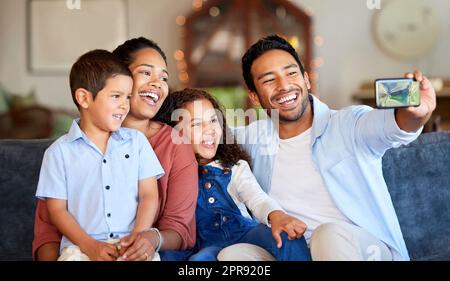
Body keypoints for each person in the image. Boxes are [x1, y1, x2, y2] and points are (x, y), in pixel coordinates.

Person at [219, 35, 436, 261]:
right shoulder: (251, 138)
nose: (284, 86)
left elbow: (392, 127)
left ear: (306, 79)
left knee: (329, 235)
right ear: (254, 96)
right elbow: (202, 139)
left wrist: (416, 114)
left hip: (362, 249)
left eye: (291, 73)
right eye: (268, 80)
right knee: (233, 255)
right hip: (295, 252)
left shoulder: (349, 123)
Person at [32, 38, 199, 261]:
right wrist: (87, 247)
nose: (158, 83)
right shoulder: (62, 151)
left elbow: (178, 227)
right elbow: (49, 228)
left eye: (164, 77)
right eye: (146, 72)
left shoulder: (168, 143)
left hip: (134, 249)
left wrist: (146, 239)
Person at [163, 88, 311, 261]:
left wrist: (277, 216)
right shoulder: (174, 175)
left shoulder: (234, 167)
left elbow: (256, 198)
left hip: (246, 233)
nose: (209, 129)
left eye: (213, 120)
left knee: (286, 236)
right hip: (208, 244)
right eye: (196, 124)